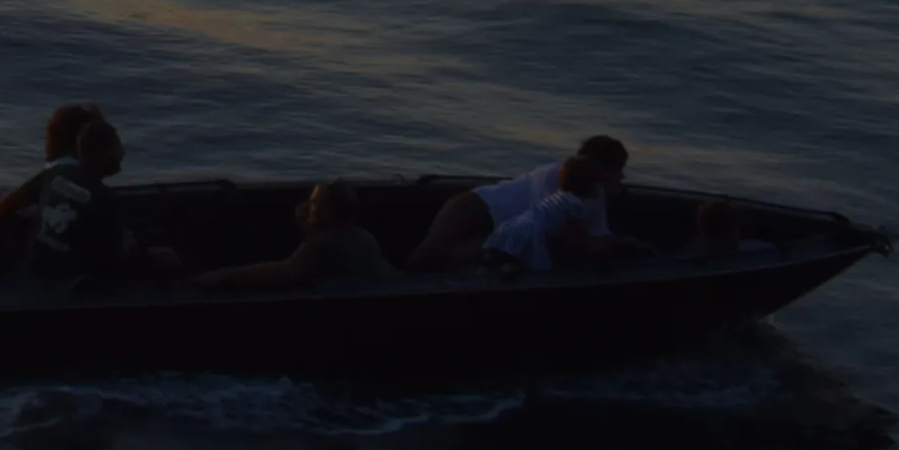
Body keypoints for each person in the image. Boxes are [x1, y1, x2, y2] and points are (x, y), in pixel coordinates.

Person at [405, 136, 657, 273]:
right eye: (618, 169)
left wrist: (627, 244)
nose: (623, 177)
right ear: (600, 168)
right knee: (426, 259)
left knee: (457, 260)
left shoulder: (595, 193)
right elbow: (554, 230)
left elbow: (596, 235)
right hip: (477, 208)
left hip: (501, 231)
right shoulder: (557, 177)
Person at [0, 106, 175, 283]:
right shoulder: (102, 197)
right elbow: (112, 257)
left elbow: (7, 205)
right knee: (166, 257)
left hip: (41, 268)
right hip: (82, 279)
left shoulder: (52, 175)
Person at [199, 182, 388, 291]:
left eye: (313, 204)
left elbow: (282, 272)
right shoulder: (368, 241)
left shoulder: (321, 248)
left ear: (327, 214)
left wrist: (224, 276)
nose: (305, 208)